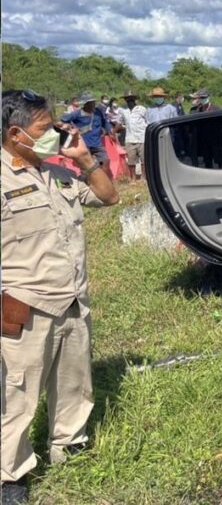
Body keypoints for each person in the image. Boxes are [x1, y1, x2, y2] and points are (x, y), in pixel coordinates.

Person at [1, 89, 118, 504]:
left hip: (72, 299)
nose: (54, 132)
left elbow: (108, 196)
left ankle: (68, 443)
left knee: (74, 382)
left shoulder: (58, 172)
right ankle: (10, 475)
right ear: (16, 134)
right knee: (17, 395)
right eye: (44, 128)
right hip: (24, 308)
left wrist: (85, 159)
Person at [60, 92, 114, 178]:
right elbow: (63, 120)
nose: (92, 104)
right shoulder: (77, 113)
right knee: (86, 167)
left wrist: (110, 130)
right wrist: (70, 128)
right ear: (85, 104)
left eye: (93, 102)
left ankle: (107, 182)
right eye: (90, 103)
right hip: (84, 145)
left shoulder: (98, 112)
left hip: (97, 144)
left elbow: (105, 123)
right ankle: (87, 184)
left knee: (105, 161)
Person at [190, 89, 222, 168]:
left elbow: (221, 124)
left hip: (215, 138)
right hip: (203, 140)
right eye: (201, 97)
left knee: (219, 159)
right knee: (207, 160)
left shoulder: (216, 109)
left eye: (204, 97)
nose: (202, 99)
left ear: (208, 97)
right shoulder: (198, 110)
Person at [123, 91, 148, 181]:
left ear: (135, 99)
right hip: (130, 139)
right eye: (127, 99)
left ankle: (144, 177)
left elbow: (148, 121)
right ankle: (133, 178)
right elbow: (120, 122)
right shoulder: (123, 110)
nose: (129, 101)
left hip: (142, 138)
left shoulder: (142, 109)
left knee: (144, 160)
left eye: (131, 99)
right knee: (131, 161)